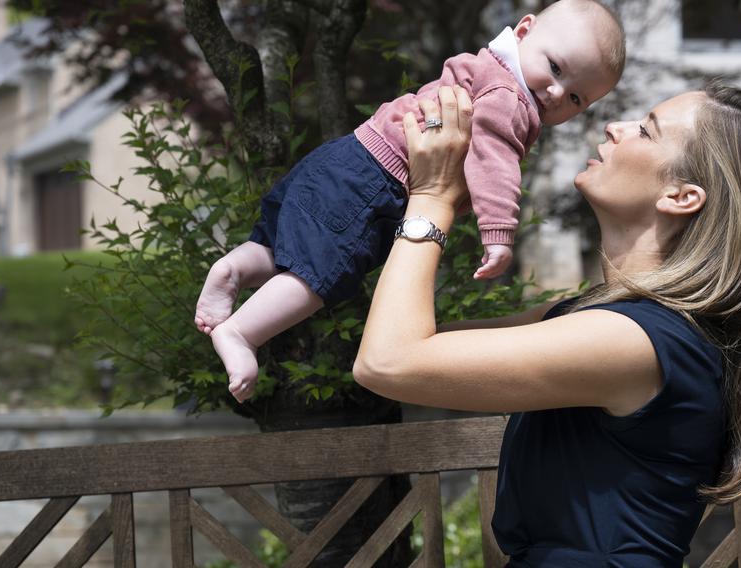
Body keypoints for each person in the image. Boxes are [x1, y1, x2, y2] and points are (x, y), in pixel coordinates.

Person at [350, 84, 741, 566]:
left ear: (681, 196)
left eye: (645, 130)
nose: (614, 126)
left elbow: (389, 361)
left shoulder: (636, 342)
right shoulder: (595, 318)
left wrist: (432, 198)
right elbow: (411, 341)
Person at [194, 0, 626, 403]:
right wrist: (498, 231)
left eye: (575, 98)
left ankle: (234, 267)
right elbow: (494, 163)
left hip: (347, 156)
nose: (554, 92)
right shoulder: (510, 98)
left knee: (282, 248)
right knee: (318, 275)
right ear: (525, 30)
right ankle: (243, 333)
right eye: (554, 68)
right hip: (375, 184)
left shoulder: (484, 67)